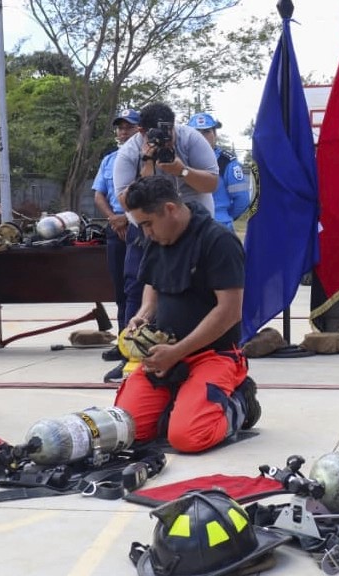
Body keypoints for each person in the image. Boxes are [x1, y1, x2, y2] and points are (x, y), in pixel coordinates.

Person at [113, 174, 258, 453]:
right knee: (127, 431)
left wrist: (177, 352)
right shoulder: (159, 237)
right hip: (166, 353)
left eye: (147, 224)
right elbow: (152, 285)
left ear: (170, 209)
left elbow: (229, 311)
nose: (146, 233)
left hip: (212, 354)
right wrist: (143, 314)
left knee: (189, 438)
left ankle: (241, 402)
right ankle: (182, 401)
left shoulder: (218, 241)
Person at [112, 102, 219, 374]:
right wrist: (147, 166)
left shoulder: (190, 139)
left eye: (168, 133)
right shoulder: (129, 153)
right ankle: (133, 355)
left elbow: (212, 183)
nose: (164, 139)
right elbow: (126, 201)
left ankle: (203, 352)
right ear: (141, 131)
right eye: (156, 135)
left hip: (193, 222)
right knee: (138, 285)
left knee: (197, 286)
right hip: (147, 225)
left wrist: (181, 170)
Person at [93, 108, 142, 383]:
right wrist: (113, 218)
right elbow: (99, 193)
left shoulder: (145, 158)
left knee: (137, 285)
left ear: (139, 131)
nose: (123, 132)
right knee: (121, 288)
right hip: (116, 228)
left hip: (139, 226)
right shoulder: (109, 160)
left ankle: (135, 345)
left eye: (129, 127)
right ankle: (123, 343)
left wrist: (128, 216)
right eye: (120, 128)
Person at [186, 112, 251, 232]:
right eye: (196, 132)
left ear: (215, 134)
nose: (202, 137)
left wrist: (224, 216)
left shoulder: (226, 162)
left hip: (219, 226)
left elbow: (242, 199)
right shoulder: (181, 161)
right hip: (188, 226)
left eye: (206, 132)